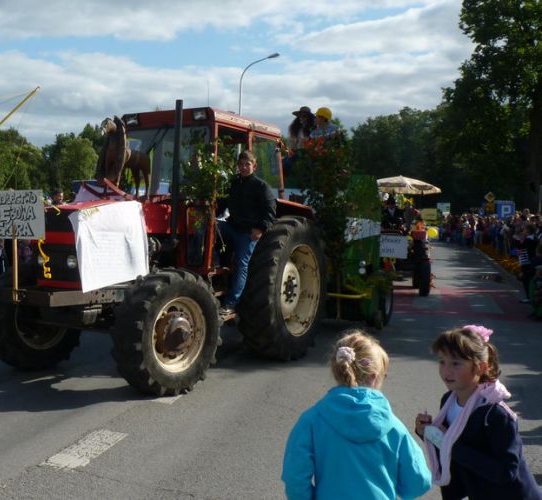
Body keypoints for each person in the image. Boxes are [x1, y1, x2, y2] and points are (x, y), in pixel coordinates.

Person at [282, 330, 431, 499]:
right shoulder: (394, 427)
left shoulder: (311, 420)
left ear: (337, 370)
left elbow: (295, 477)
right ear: (374, 377)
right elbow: (419, 481)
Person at [414, 325, 541, 499]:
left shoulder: (495, 414)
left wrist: (451, 444)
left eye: (456, 363)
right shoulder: (448, 400)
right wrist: (427, 432)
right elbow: (448, 445)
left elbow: (506, 471)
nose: (446, 370)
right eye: (442, 361)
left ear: (481, 368)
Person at [217, 150, 276, 316]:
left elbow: (270, 211)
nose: (243, 167)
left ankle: (230, 303)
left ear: (254, 166)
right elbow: (223, 202)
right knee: (212, 228)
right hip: (231, 226)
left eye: (247, 164)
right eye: (241, 164)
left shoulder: (261, 187)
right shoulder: (234, 183)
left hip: (248, 232)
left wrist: (261, 229)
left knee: (242, 264)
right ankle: (215, 267)